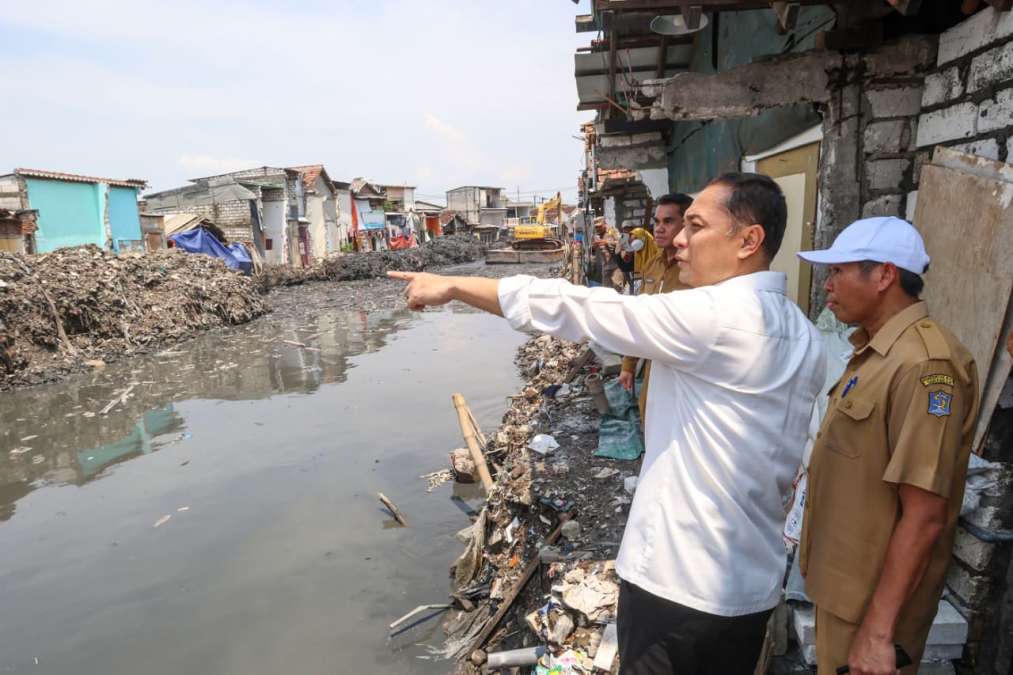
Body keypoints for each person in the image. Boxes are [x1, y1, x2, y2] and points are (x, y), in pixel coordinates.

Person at [389, 173, 825, 675]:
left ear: (749, 241)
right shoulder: (804, 334)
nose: (678, 239)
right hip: (750, 589)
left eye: (696, 226)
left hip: (680, 588)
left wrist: (453, 285)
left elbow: (581, 308)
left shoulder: (716, 317)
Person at [796, 217, 979, 675]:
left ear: (884, 275)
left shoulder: (924, 365)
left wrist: (878, 633)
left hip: (872, 604)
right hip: (846, 590)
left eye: (839, 271)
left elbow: (925, 514)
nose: (828, 285)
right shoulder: (875, 353)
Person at [617, 193, 694, 427]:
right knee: (649, 419)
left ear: (686, 225)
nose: (659, 229)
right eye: (657, 222)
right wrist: (628, 365)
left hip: (685, 370)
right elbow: (641, 317)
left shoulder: (695, 270)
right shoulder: (652, 264)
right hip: (653, 366)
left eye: (668, 221)